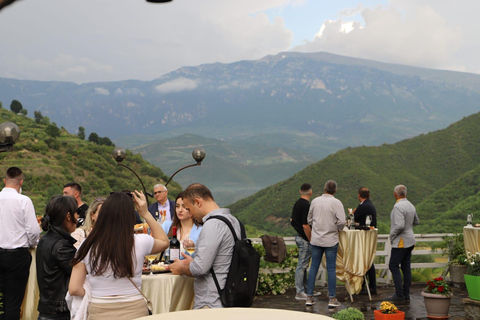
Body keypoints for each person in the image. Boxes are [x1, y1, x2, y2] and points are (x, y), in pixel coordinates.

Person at [68, 191, 169, 319]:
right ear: (130, 216)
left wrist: (94, 293)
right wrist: (145, 212)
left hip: (99, 309)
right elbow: (164, 241)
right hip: (134, 309)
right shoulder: (139, 241)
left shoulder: (87, 244)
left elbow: (74, 288)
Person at [169, 183, 240, 309]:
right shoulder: (233, 221)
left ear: (198, 202)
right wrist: (194, 261)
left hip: (210, 301)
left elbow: (200, 269)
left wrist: (181, 268)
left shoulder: (212, 224)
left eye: (189, 209)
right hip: (228, 296)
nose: (191, 214)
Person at [0, 167, 41, 319]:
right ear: (21, 182)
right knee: (13, 301)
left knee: (3, 300)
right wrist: (31, 243)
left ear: (5, 180)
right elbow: (33, 231)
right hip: (17, 255)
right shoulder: (24, 201)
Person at [36, 195, 78, 320]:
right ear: (69, 216)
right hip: (58, 312)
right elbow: (79, 273)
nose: (78, 217)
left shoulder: (46, 239)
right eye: (77, 213)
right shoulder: (62, 246)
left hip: (48, 309)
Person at [305, 180, 346, 308]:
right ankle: (332, 298)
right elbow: (342, 222)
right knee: (331, 269)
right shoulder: (337, 203)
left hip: (316, 239)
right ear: (335, 190)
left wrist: (317, 227)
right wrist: (335, 228)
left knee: (313, 268)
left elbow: (309, 219)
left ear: (324, 188)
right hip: (331, 239)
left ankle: (309, 297)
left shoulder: (315, 201)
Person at [388, 185, 419, 302]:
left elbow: (399, 225)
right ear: (405, 193)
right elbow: (416, 221)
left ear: (395, 194)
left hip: (401, 241)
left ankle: (399, 294)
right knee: (406, 267)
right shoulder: (410, 205)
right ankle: (406, 294)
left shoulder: (397, 206)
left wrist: (392, 234)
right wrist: (408, 226)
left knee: (393, 265)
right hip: (410, 240)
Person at [290, 183, 320, 300]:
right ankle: (299, 291)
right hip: (304, 239)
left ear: (300, 191)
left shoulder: (297, 203)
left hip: (298, 237)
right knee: (302, 266)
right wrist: (310, 239)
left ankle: (307, 289)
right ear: (310, 192)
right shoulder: (306, 205)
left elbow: (292, 221)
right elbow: (305, 225)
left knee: (303, 265)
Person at [162, 192, 202, 258]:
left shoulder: (201, 230)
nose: (180, 210)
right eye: (177, 206)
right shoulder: (167, 226)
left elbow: (202, 257)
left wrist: (193, 248)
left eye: (184, 206)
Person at [353, 187, 378, 295]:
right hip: (369, 236)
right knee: (368, 261)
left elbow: (354, 218)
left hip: (364, 237)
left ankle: (368, 286)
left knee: (366, 261)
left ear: (359, 195)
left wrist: (353, 213)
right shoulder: (369, 204)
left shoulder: (363, 206)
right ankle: (369, 286)